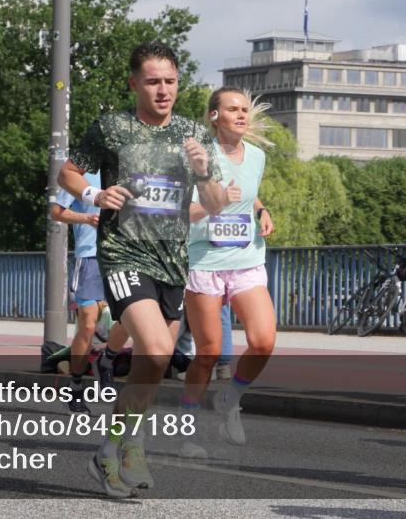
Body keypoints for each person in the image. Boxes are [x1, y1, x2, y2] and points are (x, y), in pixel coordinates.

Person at [58, 41, 227, 497]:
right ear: (135, 83)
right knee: (153, 348)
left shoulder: (194, 134)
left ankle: (117, 447)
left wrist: (205, 174)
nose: (163, 90)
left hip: (171, 261)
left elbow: (214, 205)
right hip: (123, 252)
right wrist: (96, 195)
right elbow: (68, 173)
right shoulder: (113, 128)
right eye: (153, 81)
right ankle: (120, 448)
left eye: (170, 81)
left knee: (153, 369)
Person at [179, 87, 276, 459]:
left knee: (264, 341)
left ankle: (230, 397)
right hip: (205, 262)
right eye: (232, 109)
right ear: (214, 116)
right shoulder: (198, 157)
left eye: (244, 109)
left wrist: (261, 209)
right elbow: (182, 214)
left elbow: (248, 192)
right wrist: (215, 204)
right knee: (208, 353)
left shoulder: (257, 156)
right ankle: (187, 432)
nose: (240, 115)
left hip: (246, 259)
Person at [50, 169, 130, 413]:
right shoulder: (79, 174)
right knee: (87, 323)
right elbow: (56, 212)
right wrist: (86, 219)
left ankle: (107, 361)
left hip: (126, 256)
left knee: (131, 318)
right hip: (90, 256)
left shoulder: (129, 169)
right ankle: (75, 386)